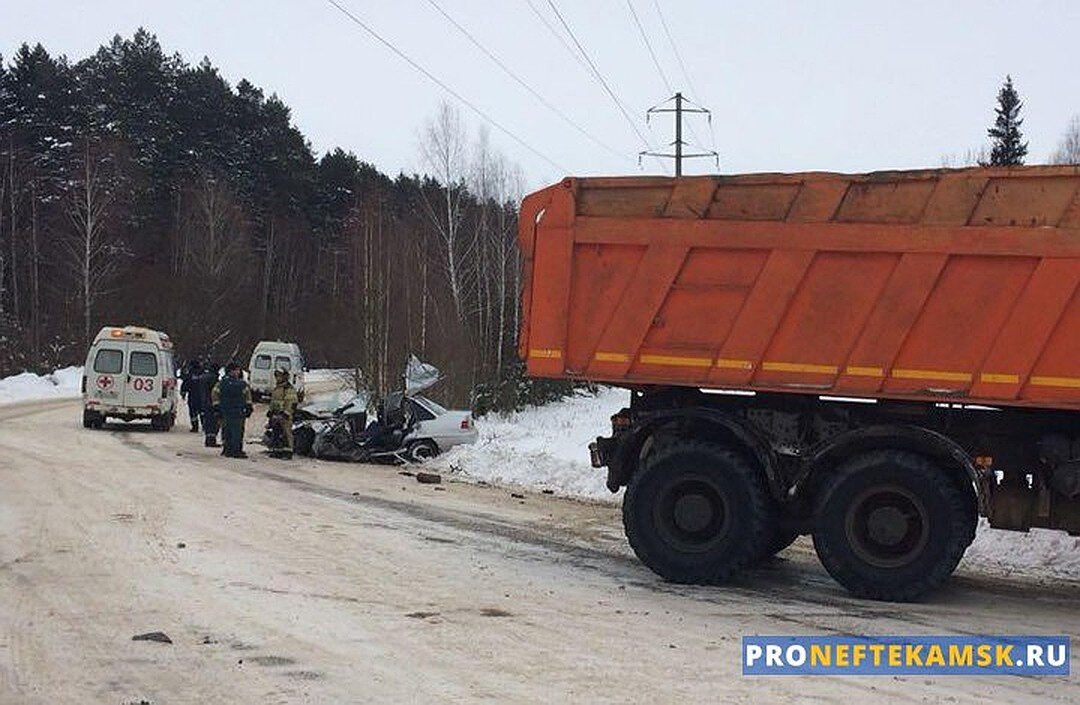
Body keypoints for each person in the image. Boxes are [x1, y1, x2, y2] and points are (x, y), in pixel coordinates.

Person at [212, 361, 253, 458]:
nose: (238, 372)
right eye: (236, 370)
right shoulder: (241, 384)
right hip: (236, 412)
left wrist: (216, 407)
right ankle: (235, 450)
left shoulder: (222, 383)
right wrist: (248, 407)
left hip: (228, 411)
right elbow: (248, 396)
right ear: (231, 371)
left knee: (228, 431)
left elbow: (214, 394)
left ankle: (228, 449)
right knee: (236, 432)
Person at [267, 367, 299, 459]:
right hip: (276, 414)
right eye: (276, 376)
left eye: (279, 376)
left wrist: (286, 413)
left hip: (284, 415)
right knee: (276, 432)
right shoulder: (277, 388)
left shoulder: (288, 388)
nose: (277, 378)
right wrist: (270, 411)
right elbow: (273, 401)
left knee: (286, 433)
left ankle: (288, 452)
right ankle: (277, 450)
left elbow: (291, 402)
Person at [199, 362, 221, 448]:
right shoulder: (213, 378)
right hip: (212, 403)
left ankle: (208, 439)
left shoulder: (203, 377)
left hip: (204, 402)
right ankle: (211, 440)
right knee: (213, 422)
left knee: (208, 421)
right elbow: (216, 391)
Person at [179, 359, 204, 432]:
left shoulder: (190, 374)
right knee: (203, 412)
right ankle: (204, 426)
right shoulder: (203, 373)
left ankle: (195, 427)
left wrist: (183, 393)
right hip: (202, 396)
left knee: (193, 413)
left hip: (193, 396)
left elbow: (186, 384)